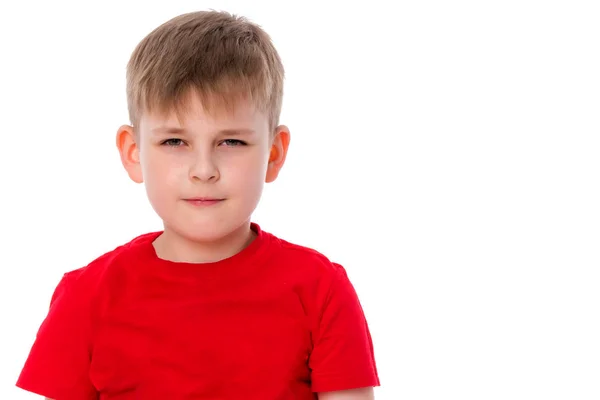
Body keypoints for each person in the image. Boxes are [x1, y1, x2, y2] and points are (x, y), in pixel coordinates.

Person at [16, 10, 380, 400]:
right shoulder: (87, 296)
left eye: (231, 142)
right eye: (175, 142)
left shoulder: (321, 290)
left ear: (274, 154)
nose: (203, 170)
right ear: (133, 152)